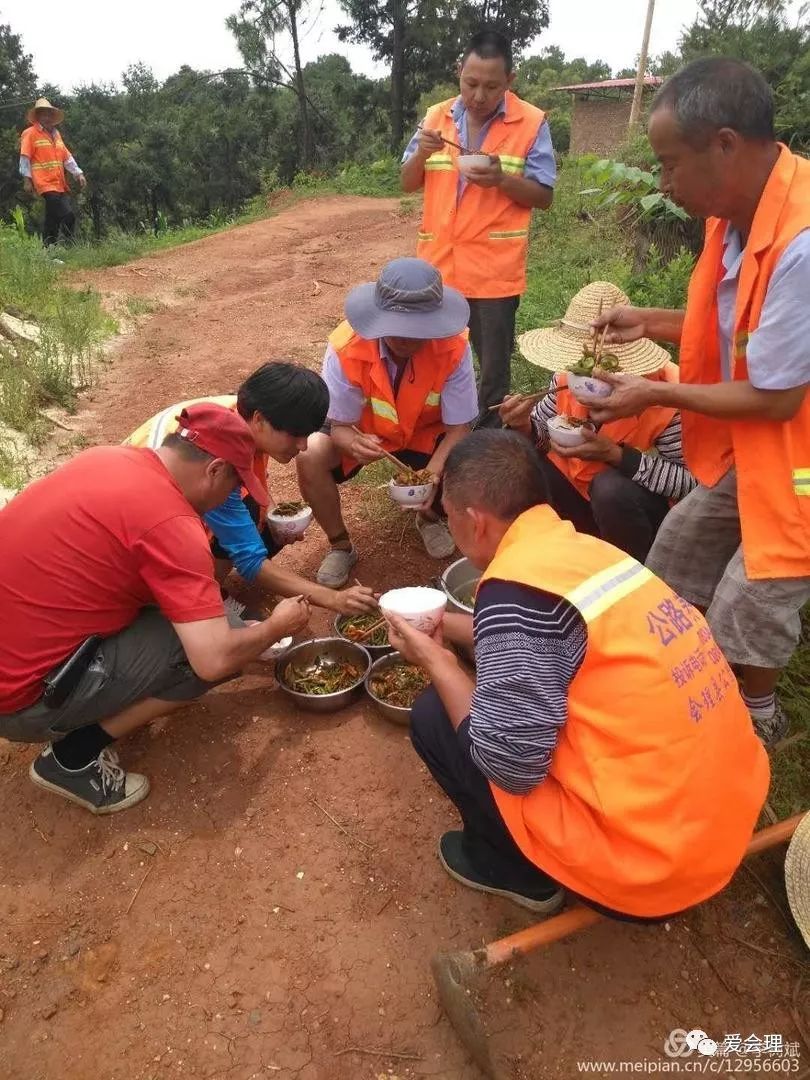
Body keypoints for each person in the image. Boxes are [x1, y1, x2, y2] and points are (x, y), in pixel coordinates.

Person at [386, 430, 768, 919]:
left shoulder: (514, 588)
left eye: (448, 514)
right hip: (724, 823)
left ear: (472, 520)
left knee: (435, 714)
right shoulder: (589, 553)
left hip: (650, 870)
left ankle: (513, 869)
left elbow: (508, 766)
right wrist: (447, 627)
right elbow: (554, 639)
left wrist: (436, 660)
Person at [580, 58, 810, 749]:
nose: (664, 181)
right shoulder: (734, 215)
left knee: (755, 591)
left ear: (726, 145)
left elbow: (776, 395)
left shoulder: (801, 243)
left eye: (670, 163)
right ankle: (682, 683)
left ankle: (755, 723)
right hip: (765, 440)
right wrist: (648, 320)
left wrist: (652, 390)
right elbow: (741, 332)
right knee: (678, 548)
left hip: (795, 450)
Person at [0, 403, 311, 814]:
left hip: (17, 652)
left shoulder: (111, 457)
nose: (232, 497)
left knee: (201, 623)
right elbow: (214, 659)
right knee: (218, 647)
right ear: (215, 469)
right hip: (23, 700)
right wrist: (275, 626)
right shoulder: (172, 525)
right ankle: (73, 756)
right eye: (236, 484)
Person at [126, 362, 376, 616]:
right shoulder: (218, 454)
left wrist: (274, 516)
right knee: (246, 515)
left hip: (154, 506)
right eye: (295, 435)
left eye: (307, 434)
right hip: (140, 537)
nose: (303, 446)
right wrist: (334, 599)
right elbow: (251, 561)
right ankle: (192, 601)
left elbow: (253, 488)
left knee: (263, 520)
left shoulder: (240, 420)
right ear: (259, 420)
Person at [401, 28, 555, 424]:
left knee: (492, 375)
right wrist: (420, 152)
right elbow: (406, 182)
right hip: (437, 270)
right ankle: (437, 437)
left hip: (493, 275)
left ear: (510, 81)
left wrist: (503, 179)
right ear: (459, 73)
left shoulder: (531, 122)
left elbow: (544, 196)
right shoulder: (436, 119)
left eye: (491, 86)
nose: (479, 96)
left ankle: (487, 447)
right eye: (471, 84)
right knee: (433, 359)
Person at [295, 257, 478, 587]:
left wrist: (431, 474)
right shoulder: (346, 347)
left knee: (471, 458)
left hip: (427, 432)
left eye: (419, 330)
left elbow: (460, 428)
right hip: (363, 431)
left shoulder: (454, 347)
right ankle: (340, 546)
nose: (408, 339)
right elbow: (338, 426)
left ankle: (429, 516)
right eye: (399, 328)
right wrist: (351, 443)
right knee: (310, 454)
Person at [503, 281, 695, 563]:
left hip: (639, 519)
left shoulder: (665, 397)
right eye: (580, 367)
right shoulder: (567, 381)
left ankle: (632, 575)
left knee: (610, 489)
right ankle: (556, 555)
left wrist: (616, 456)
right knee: (516, 448)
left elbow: (691, 484)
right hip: (580, 502)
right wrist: (523, 425)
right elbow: (542, 434)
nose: (586, 382)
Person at [19, 97, 86, 246]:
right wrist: (27, 180)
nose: (47, 117)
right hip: (44, 183)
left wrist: (78, 173)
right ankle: (60, 247)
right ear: (38, 117)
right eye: (44, 114)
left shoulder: (56, 135)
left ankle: (56, 248)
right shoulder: (30, 133)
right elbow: (24, 158)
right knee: (61, 211)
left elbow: (66, 157)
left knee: (60, 216)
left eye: (49, 114)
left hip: (59, 183)